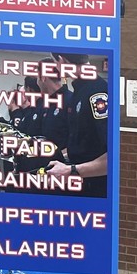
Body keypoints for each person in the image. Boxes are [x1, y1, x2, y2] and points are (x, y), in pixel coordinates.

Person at [45, 53, 108, 197]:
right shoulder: (79, 91)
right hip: (79, 185)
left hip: (96, 189)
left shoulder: (97, 92)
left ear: (62, 60)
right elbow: (84, 144)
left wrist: (71, 170)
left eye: (55, 63)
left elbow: (115, 155)